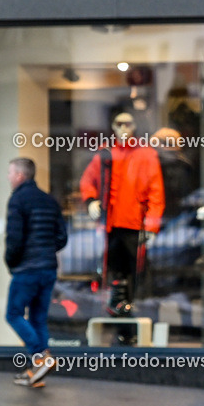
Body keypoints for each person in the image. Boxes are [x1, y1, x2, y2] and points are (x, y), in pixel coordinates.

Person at [79, 111, 164, 343]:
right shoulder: (106, 153)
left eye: (128, 123)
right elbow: (88, 181)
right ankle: (120, 327)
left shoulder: (146, 154)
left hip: (134, 225)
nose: (124, 128)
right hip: (110, 225)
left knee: (133, 275)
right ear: (114, 127)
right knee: (114, 274)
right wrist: (90, 200)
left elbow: (156, 192)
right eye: (119, 124)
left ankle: (131, 329)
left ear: (135, 126)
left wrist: (152, 224)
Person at [4, 157, 68, 387]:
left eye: (11, 173)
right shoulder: (49, 200)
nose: (9, 177)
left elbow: (14, 239)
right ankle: (36, 372)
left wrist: (11, 262)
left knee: (13, 314)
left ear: (20, 175)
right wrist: (47, 251)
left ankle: (41, 357)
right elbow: (62, 236)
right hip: (48, 268)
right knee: (38, 318)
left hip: (27, 269)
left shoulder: (18, 200)